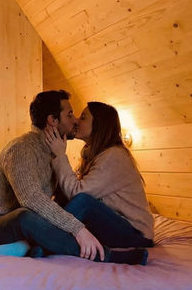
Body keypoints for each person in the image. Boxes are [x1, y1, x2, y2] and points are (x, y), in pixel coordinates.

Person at [0, 90, 148, 265]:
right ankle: (107, 256)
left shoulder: (53, 154)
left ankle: (40, 247)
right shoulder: (21, 148)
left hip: (127, 229)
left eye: (79, 117)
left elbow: (68, 200)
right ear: (53, 120)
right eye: (70, 114)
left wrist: (60, 156)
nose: (75, 120)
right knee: (25, 215)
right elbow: (31, 199)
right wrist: (78, 229)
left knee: (57, 211)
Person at [44, 101, 154, 252]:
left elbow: (78, 194)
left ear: (99, 124)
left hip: (136, 234)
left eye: (83, 118)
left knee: (84, 202)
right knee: (64, 203)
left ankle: (40, 242)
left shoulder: (114, 156)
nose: (76, 121)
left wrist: (60, 155)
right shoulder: (95, 155)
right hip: (116, 224)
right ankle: (40, 240)